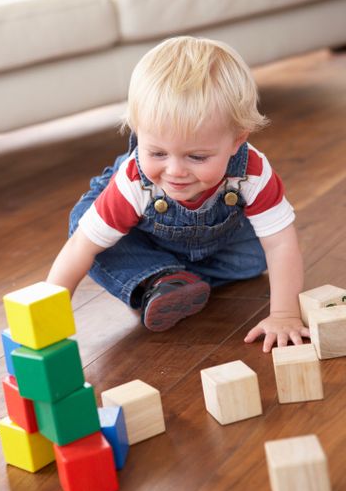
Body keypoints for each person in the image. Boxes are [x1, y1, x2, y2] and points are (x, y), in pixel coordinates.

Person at [47, 36, 310, 353]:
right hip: (145, 237)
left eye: (197, 157)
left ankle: (174, 280)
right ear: (137, 132)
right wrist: (46, 321)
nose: (174, 171)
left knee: (256, 258)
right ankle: (157, 278)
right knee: (89, 237)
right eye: (156, 152)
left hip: (220, 241)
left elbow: (280, 242)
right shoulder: (135, 182)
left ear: (236, 141)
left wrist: (284, 314)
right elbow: (81, 248)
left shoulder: (251, 171)